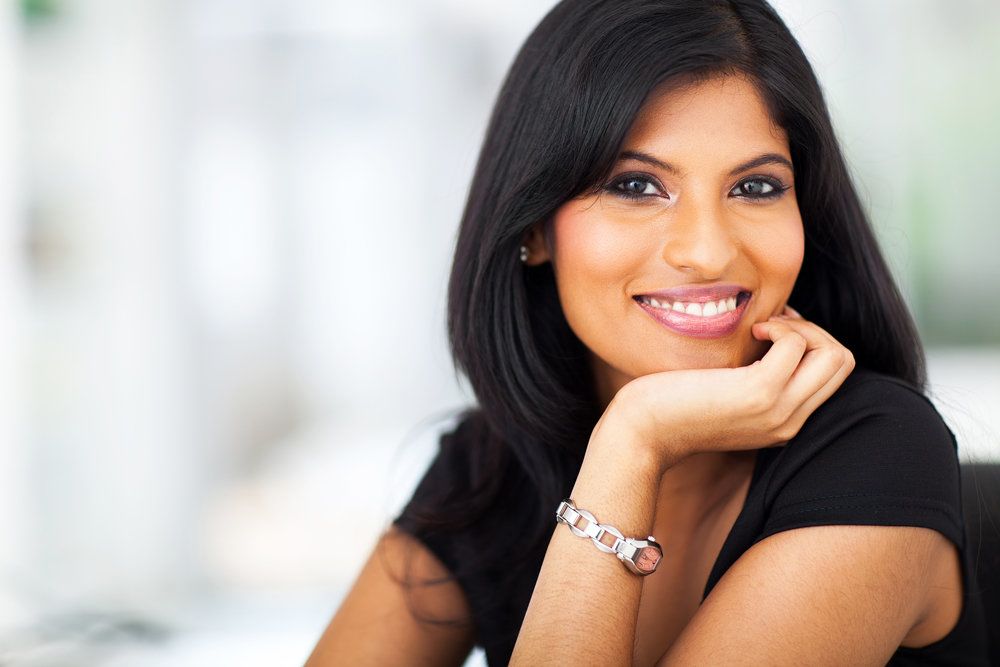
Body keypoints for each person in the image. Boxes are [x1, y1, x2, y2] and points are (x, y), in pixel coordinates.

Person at [306, 1, 991, 665]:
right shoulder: (491, 465)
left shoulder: (880, 452)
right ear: (533, 229)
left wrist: (633, 436)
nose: (707, 251)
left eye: (755, 187)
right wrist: (631, 442)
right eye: (636, 185)